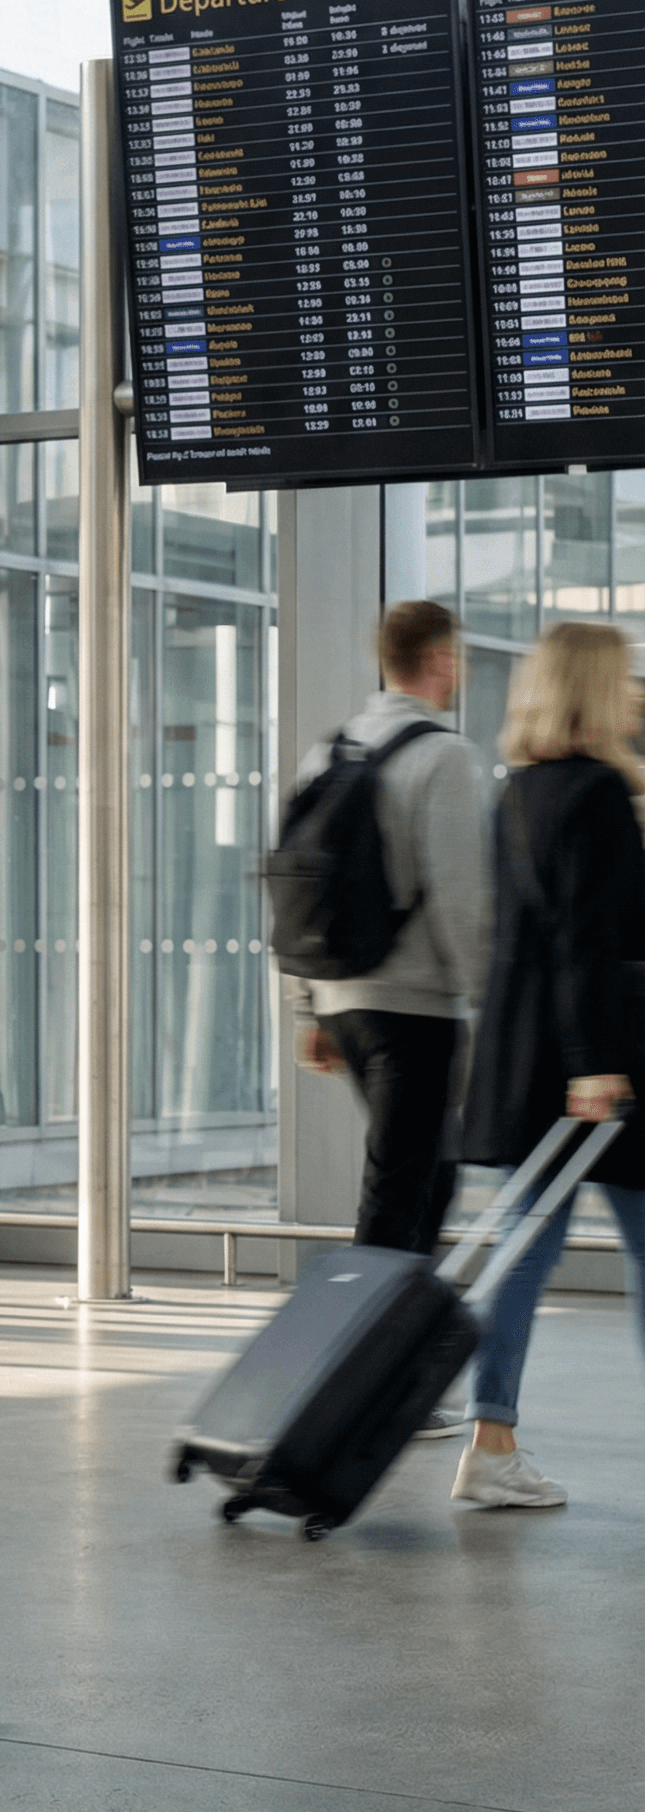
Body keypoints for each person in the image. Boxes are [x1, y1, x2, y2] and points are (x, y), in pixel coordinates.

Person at [453, 620, 645, 1509]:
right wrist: (597, 1063)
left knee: (526, 1248)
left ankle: (491, 1443)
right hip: (597, 1066)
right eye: (627, 677)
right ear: (597, 690)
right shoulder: (600, 791)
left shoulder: (519, 789)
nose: (637, 690)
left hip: (527, 1057)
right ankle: (488, 1446)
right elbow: (587, 940)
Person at [294, 600, 492, 1271]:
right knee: (402, 1189)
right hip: (415, 1009)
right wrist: (489, 1000)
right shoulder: (446, 756)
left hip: (343, 1003)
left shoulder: (328, 749)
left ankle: (402, 1333)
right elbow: (461, 899)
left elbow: (297, 882)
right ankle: (359, 1354)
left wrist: (308, 1006)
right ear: (439, 660)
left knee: (427, 1175)